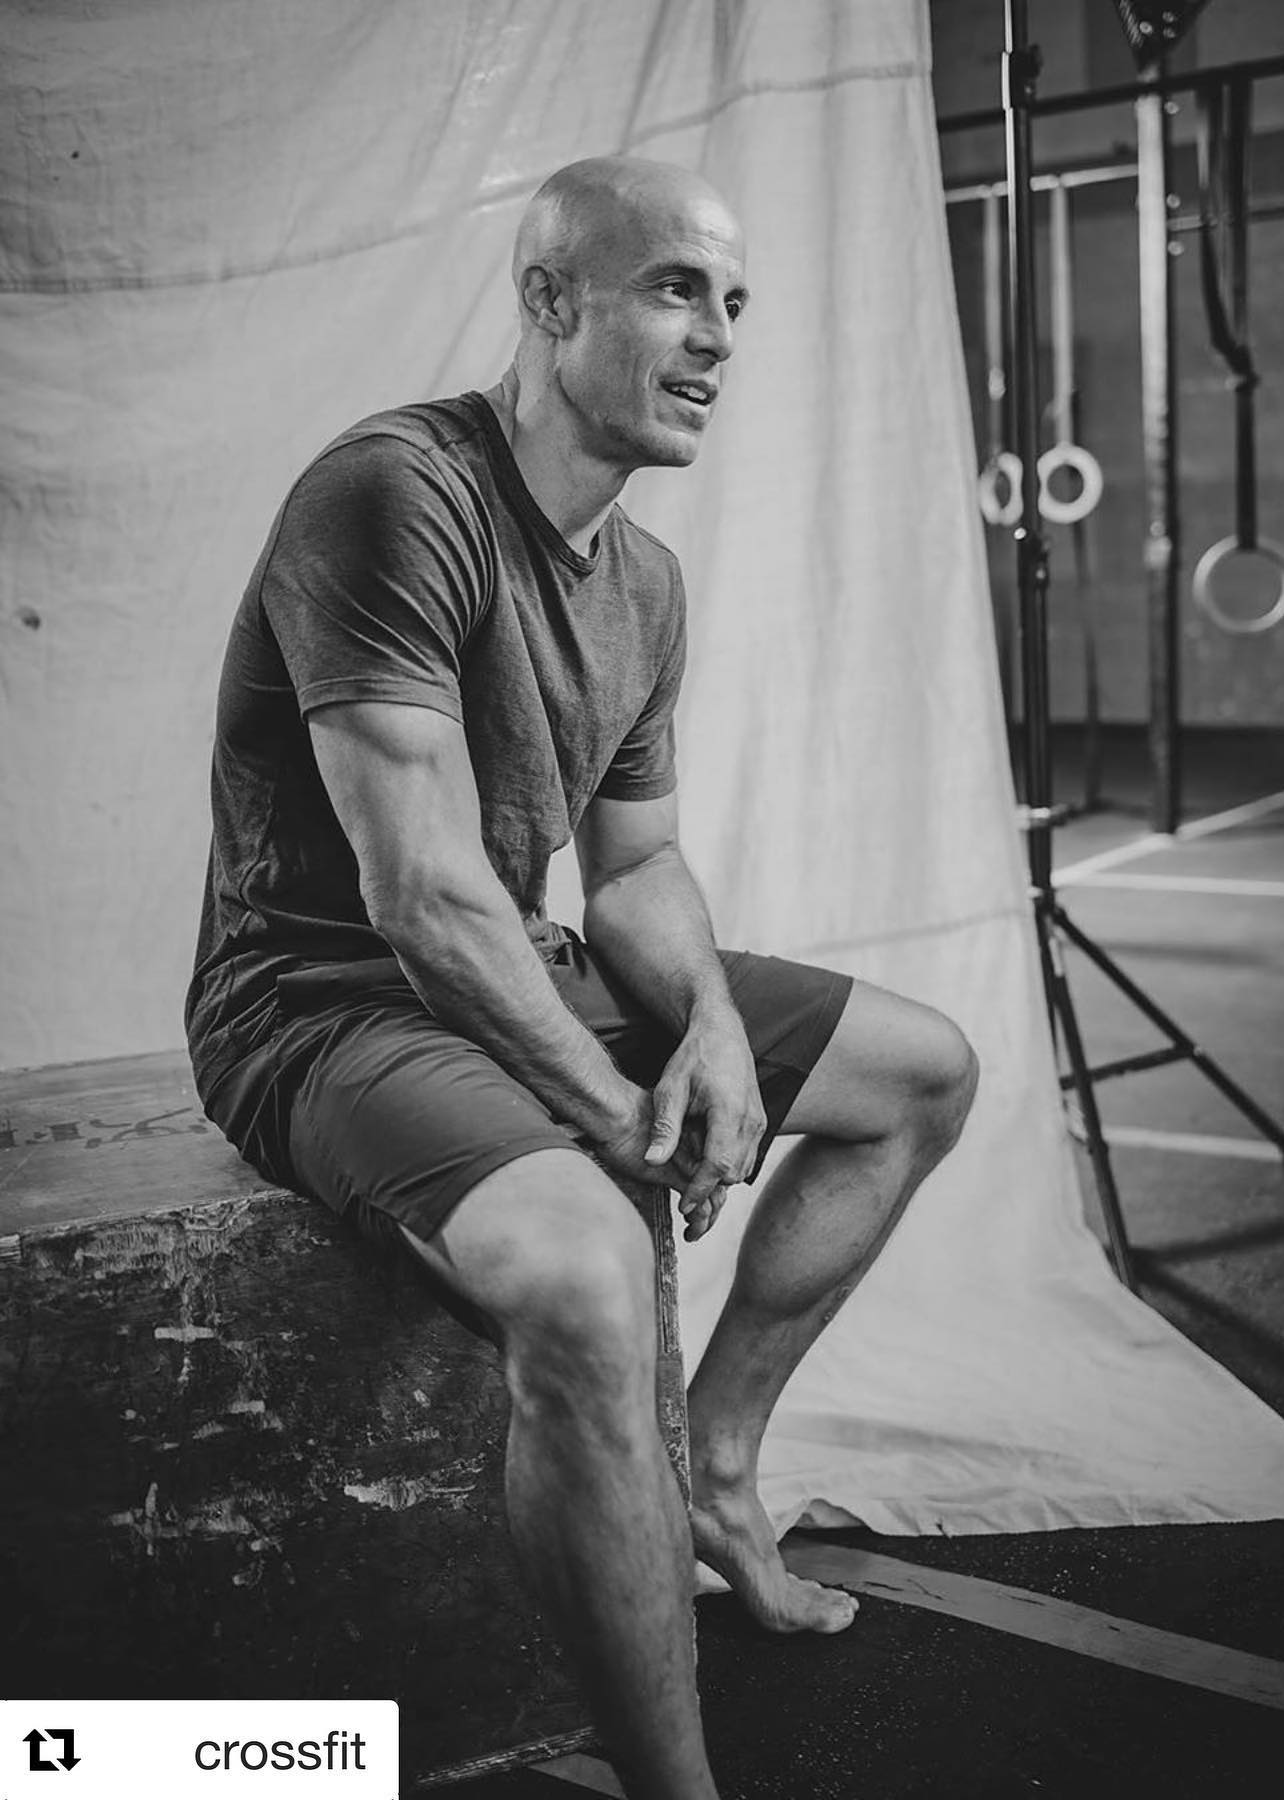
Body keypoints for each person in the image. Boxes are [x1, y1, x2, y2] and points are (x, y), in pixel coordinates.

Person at [186, 154, 978, 1800]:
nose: (721, 338)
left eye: (735, 303)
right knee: (590, 1271)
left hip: (508, 962)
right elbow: (419, 893)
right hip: (318, 999)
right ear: (551, 300)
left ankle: (717, 1472)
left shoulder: (645, 584)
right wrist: (617, 1119)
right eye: (678, 288)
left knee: (921, 1074)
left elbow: (631, 872)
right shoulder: (394, 492)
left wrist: (710, 1028)